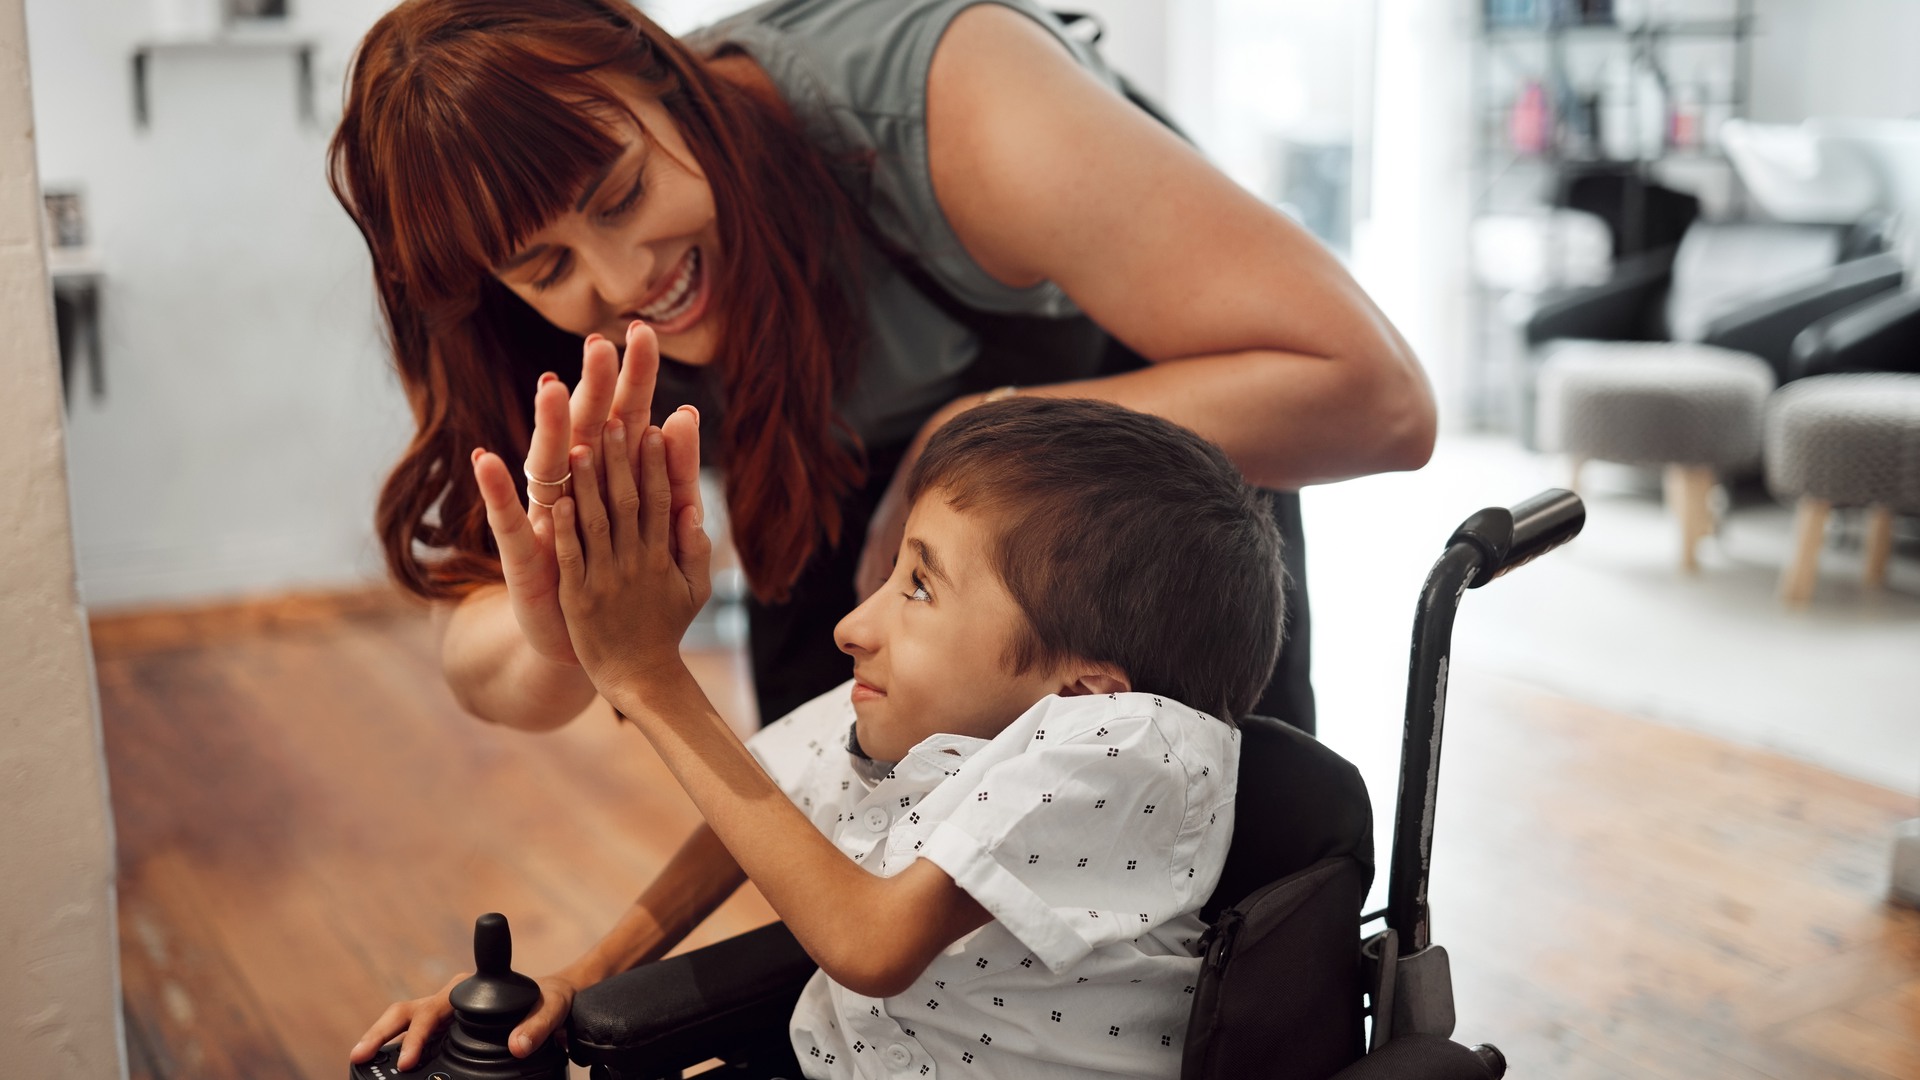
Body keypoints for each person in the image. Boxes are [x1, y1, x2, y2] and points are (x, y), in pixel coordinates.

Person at [326, 0, 1434, 741]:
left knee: (1218, 883)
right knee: (839, 843)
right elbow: (477, 649)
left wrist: (979, 436)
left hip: (1136, 444)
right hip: (831, 468)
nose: (622, 279)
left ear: (666, 75)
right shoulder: (496, 321)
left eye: (622, 195)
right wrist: (557, 635)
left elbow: (1380, 400)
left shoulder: (951, 101)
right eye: (544, 264)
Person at [352, 394, 1286, 1077]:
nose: (853, 625)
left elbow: (871, 946)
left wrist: (648, 675)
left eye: (917, 587)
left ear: (1083, 687)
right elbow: (748, 803)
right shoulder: (934, 719)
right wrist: (582, 976)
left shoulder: (1135, 748)